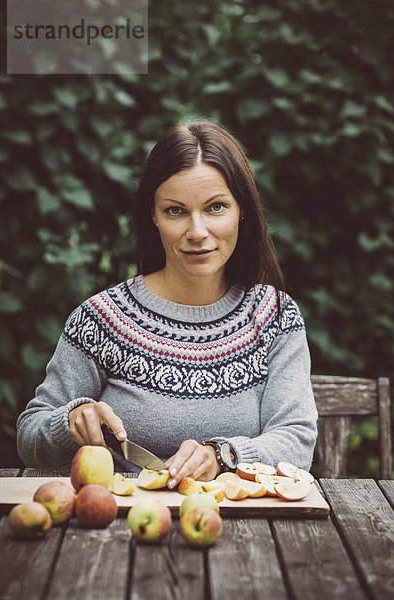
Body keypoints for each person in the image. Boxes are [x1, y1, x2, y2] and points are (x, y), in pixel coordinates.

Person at [17, 120, 318, 488]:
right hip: (115, 528)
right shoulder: (100, 319)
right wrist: (70, 420)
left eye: (216, 207)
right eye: (176, 210)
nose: (197, 232)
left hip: (244, 529)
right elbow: (29, 437)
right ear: (154, 215)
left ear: (243, 211)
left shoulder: (275, 316)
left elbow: (297, 438)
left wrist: (223, 455)